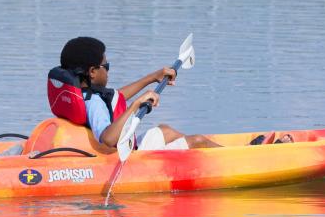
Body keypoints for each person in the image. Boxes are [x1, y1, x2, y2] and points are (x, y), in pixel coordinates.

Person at [50, 37, 221, 155]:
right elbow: (108, 139)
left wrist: (152, 77)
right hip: (124, 160)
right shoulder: (94, 103)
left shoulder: (83, 95)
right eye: (106, 66)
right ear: (93, 72)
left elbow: (116, 98)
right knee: (197, 141)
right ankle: (242, 158)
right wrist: (136, 105)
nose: (108, 70)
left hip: (126, 150)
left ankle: (235, 152)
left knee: (165, 131)